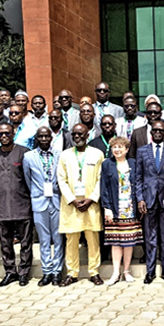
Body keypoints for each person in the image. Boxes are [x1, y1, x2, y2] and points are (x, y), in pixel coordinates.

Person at [57, 123, 105, 287]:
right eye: (75, 134)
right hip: (71, 205)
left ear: (87, 135)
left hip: (91, 204)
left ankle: (94, 272)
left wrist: (92, 198)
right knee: (71, 241)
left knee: (93, 240)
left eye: (81, 134)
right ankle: (72, 273)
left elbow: (101, 179)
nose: (77, 137)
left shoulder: (97, 154)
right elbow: (61, 180)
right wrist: (72, 199)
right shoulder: (64, 155)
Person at [0, 123, 33, 287]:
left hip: (22, 203)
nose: (4, 136)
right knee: (5, 242)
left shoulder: (24, 153)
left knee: (25, 242)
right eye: (1, 134)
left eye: (7, 133)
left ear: (13, 133)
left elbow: (29, 179)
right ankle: (10, 272)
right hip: (1, 205)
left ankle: (24, 272)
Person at [134, 120, 164, 284]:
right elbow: (138, 177)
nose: (158, 133)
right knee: (150, 238)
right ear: (151, 133)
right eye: (155, 130)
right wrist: (140, 198)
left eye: (161, 130)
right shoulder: (142, 151)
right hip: (149, 199)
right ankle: (150, 272)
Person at [23, 127, 64, 286]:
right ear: (37, 138)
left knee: (58, 238)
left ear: (51, 138)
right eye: (41, 136)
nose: (44, 139)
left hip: (56, 200)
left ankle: (57, 271)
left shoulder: (59, 155)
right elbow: (28, 179)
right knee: (44, 239)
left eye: (47, 136)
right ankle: (46, 271)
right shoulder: (28, 157)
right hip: (39, 201)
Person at [101, 137, 143, 285]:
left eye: (120, 147)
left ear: (126, 149)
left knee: (129, 241)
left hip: (130, 208)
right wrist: (107, 208)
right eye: (114, 147)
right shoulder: (107, 164)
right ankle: (115, 272)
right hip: (114, 208)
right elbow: (104, 187)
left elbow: (138, 183)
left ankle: (126, 271)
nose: (117, 150)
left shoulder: (133, 163)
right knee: (116, 242)